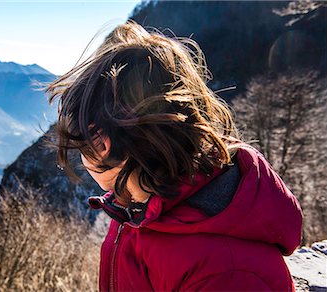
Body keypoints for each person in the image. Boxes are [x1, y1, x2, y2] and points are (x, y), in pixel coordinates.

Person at [47, 21, 303, 291]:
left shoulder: (224, 271)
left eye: (84, 143)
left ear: (103, 144)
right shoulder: (141, 208)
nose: (83, 157)